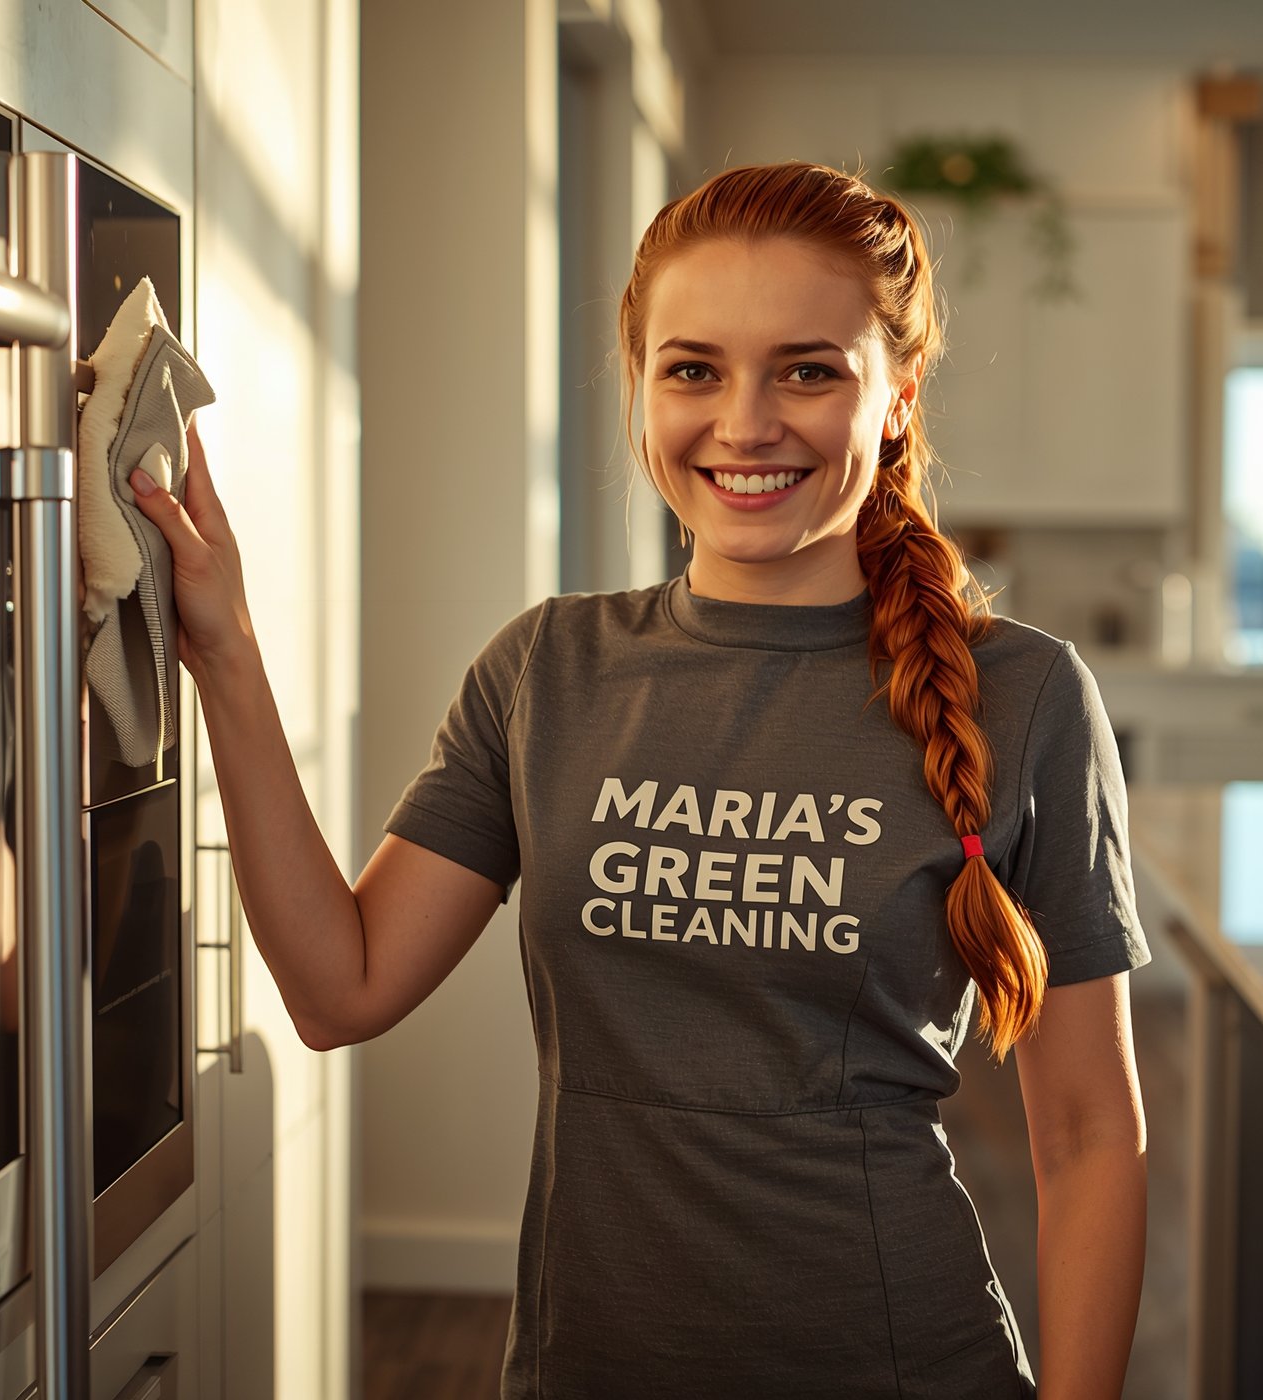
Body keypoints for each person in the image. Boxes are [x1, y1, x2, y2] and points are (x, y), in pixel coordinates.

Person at [136, 161, 1150, 1398]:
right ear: (641, 383)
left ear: (896, 394)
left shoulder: (1026, 695)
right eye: (693, 368)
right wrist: (227, 656)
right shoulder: (548, 669)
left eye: (807, 368)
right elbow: (339, 988)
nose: (744, 422)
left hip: (898, 1360)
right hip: (588, 1362)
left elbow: (1092, 1132)